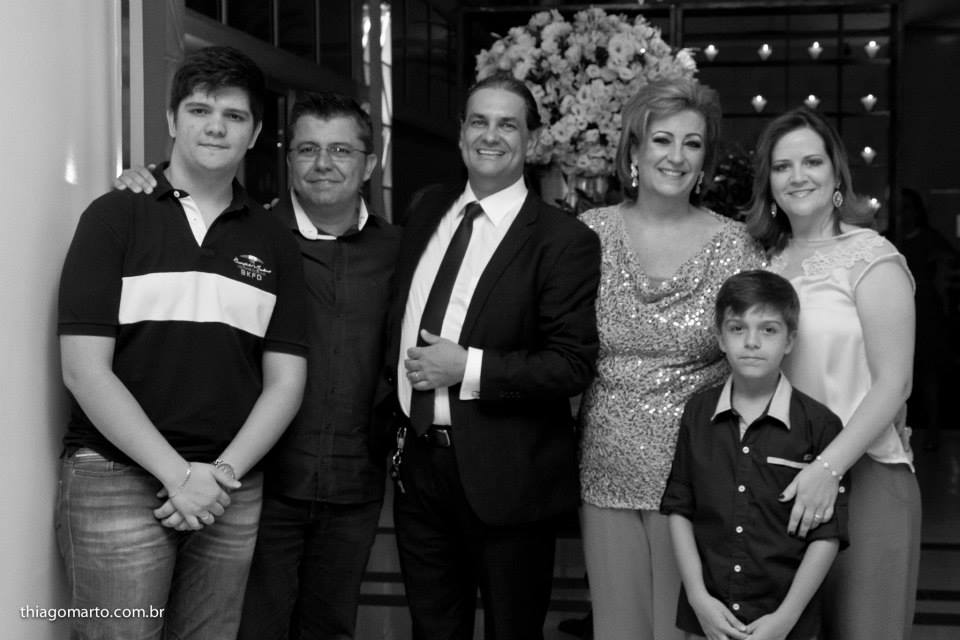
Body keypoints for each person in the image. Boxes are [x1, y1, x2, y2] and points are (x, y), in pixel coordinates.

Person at [115, 91, 401, 639]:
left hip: (355, 484)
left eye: (341, 150)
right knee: (248, 629)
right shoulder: (252, 235)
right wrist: (148, 177)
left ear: (370, 164)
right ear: (287, 159)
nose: (323, 164)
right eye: (307, 149)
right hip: (257, 481)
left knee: (330, 627)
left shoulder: (402, 250)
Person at [56, 46, 308, 639]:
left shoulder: (274, 240)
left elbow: (286, 383)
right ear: (172, 120)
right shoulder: (115, 216)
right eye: (199, 110)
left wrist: (217, 476)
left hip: (229, 489)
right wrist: (177, 475)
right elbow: (84, 370)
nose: (216, 126)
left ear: (255, 134)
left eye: (234, 115)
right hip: (116, 479)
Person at [373, 73, 601, 639]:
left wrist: (468, 368)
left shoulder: (562, 239)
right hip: (418, 468)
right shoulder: (427, 210)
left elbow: (571, 364)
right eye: (479, 121)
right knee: (432, 630)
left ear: (532, 140)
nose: (490, 135)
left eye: (508, 125)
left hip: (508, 478)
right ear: (461, 134)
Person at [577, 78, 765, 640]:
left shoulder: (739, 246)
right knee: (617, 627)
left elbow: (760, 359)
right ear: (634, 151)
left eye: (693, 143)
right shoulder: (588, 235)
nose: (676, 157)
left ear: (705, 161)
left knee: (684, 629)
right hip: (604, 469)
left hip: (700, 477)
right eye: (662, 140)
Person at [746, 107, 921, 640]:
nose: (797, 176)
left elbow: (895, 383)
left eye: (812, 162)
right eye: (782, 166)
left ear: (836, 173)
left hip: (863, 474)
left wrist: (828, 468)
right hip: (779, 483)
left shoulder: (872, 257)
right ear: (768, 183)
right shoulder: (761, 263)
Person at [661, 270, 848, 640]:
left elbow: (827, 535)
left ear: (790, 340)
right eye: (737, 328)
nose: (751, 342)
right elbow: (680, 508)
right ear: (720, 338)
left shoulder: (821, 424)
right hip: (709, 617)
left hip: (786, 621)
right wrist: (698, 598)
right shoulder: (698, 412)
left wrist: (786, 618)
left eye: (768, 330)